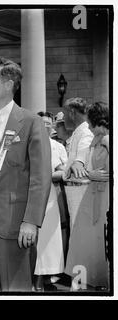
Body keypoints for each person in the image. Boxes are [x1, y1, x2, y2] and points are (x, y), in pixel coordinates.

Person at [0, 56, 51, 291]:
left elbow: (41, 177)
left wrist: (31, 221)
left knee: (16, 289)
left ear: (8, 84)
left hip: (17, 224)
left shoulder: (31, 121)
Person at [65, 102, 110, 291]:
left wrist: (91, 174)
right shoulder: (96, 140)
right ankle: (86, 284)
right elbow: (88, 167)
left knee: (99, 241)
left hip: (105, 195)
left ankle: (100, 283)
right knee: (83, 241)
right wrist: (90, 174)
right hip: (92, 194)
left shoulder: (108, 140)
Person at [33, 112, 66, 291]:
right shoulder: (31, 142)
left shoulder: (57, 147)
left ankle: (47, 275)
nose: (46, 125)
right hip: (33, 195)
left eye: (48, 123)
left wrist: (54, 174)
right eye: (42, 122)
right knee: (36, 236)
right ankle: (35, 276)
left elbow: (65, 169)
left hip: (51, 196)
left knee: (49, 238)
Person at [62, 97, 94, 231]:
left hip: (80, 193)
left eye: (64, 114)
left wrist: (78, 162)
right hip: (74, 192)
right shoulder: (77, 132)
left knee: (80, 231)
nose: (63, 118)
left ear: (72, 112)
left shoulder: (85, 132)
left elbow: (80, 158)